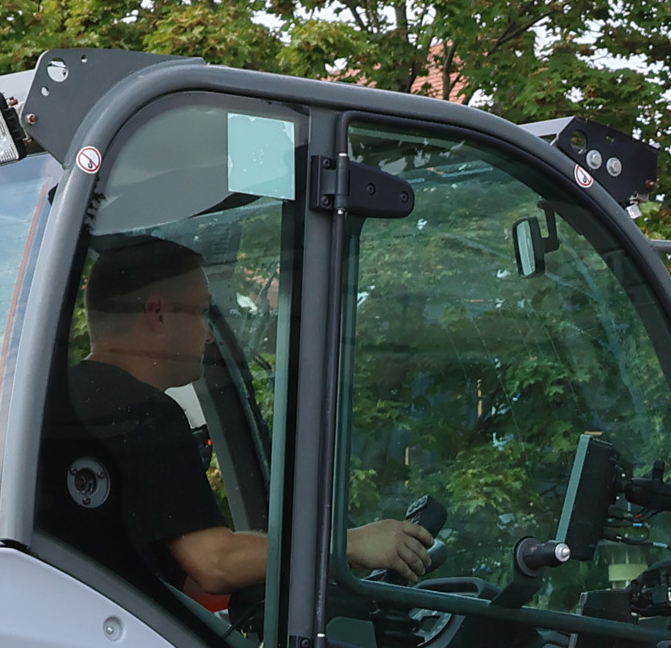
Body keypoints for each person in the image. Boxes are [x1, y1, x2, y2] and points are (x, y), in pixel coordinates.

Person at [63, 235, 433, 596]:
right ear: (157, 315)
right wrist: (348, 544)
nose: (208, 335)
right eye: (201, 311)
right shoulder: (144, 413)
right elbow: (215, 563)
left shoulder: (67, 401)